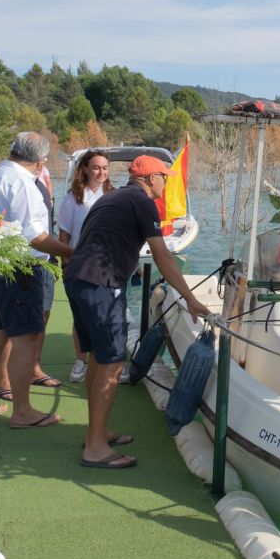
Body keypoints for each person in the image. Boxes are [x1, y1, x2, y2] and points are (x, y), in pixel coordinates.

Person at [65, 155, 210, 469]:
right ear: (151, 178)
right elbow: (162, 255)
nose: (167, 183)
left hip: (78, 279)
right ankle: (95, 448)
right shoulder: (142, 202)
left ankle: (97, 433)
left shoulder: (113, 197)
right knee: (111, 363)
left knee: (99, 358)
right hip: (100, 283)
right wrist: (189, 298)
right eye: (165, 177)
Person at [0, 132, 72, 427]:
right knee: (25, 340)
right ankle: (23, 411)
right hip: (20, 269)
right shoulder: (24, 184)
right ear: (41, 161)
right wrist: (73, 252)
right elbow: (35, 236)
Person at [55, 149, 112, 383]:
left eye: (105, 168)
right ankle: (81, 361)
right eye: (96, 167)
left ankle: (105, 363)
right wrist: (65, 263)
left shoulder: (114, 196)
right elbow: (64, 235)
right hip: (79, 267)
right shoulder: (74, 198)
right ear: (85, 169)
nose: (101, 172)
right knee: (81, 317)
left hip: (108, 267)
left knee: (106, 316)